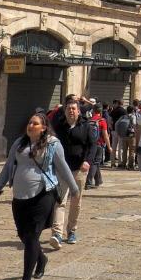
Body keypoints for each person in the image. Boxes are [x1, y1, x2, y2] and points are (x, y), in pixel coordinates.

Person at [0, 112, 80, 280]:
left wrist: (75, 190)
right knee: (24, 236)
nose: (30, 125)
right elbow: (8, 165)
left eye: (35, 123)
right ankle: (41, 259)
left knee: (32, 236)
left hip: (43, 195)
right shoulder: (19, 143)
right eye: (29, 122)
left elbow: (62, 167)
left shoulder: (53, 144)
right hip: (20, 195)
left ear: (44, 127)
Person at [50, 99, 96, 247]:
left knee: (76, 202)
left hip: (79, 169)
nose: (71, 111)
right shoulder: (59, 127)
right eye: (68, 108)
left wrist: (87, 161)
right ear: (65, 111)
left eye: (73, 109)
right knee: (60, 200)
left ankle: (71, 231)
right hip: (62, 169)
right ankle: (57, 233)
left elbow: (93, 146)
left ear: (78, 111)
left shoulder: (86, 126)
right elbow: (51, 145)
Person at [114, 105, 137, 171]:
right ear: (133, 111)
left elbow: (116, 124)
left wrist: (118, 132)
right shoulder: (133, 116)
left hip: (123, 136)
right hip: (131, 136)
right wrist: (136, 133)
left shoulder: (123, 117)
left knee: (124, 151)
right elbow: (135, 125)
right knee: (131, 151)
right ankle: (130, 165)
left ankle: (123, 164)